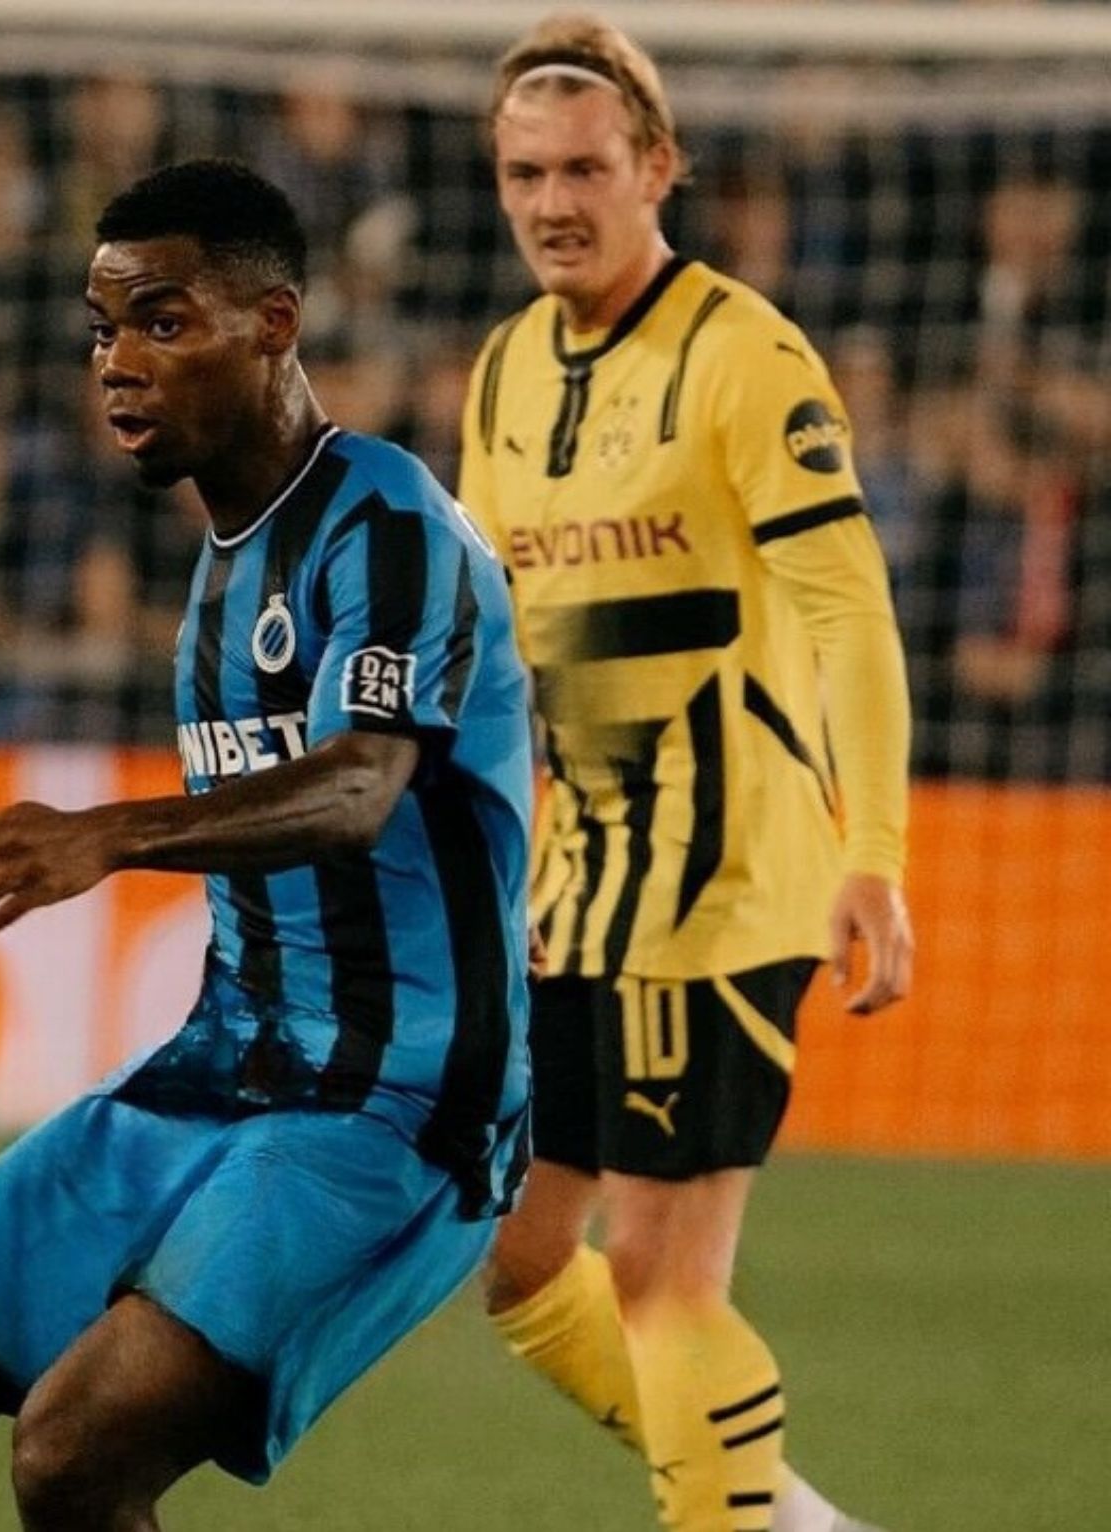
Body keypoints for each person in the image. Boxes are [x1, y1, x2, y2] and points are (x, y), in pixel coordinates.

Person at [0, 158, 535, 1532]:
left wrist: (109, 834)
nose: (118, 364)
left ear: (273, 325)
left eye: (162, 322)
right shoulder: (219, 573)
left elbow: (359, 789)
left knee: (74, 1452)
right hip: (213, 1075)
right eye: (102, 332)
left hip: (396, 1108)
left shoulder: (391, 525)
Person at [453, 16, 915, 1532]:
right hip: (580, 888)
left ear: (659, 168)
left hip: (726, 882)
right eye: (526, 173)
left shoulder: (746, 357)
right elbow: (503, 643)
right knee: (523, 1262)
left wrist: (876, 853)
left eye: (584, 168)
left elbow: (851, 614)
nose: (553, 203)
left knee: (663, 1276)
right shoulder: (506, 372)